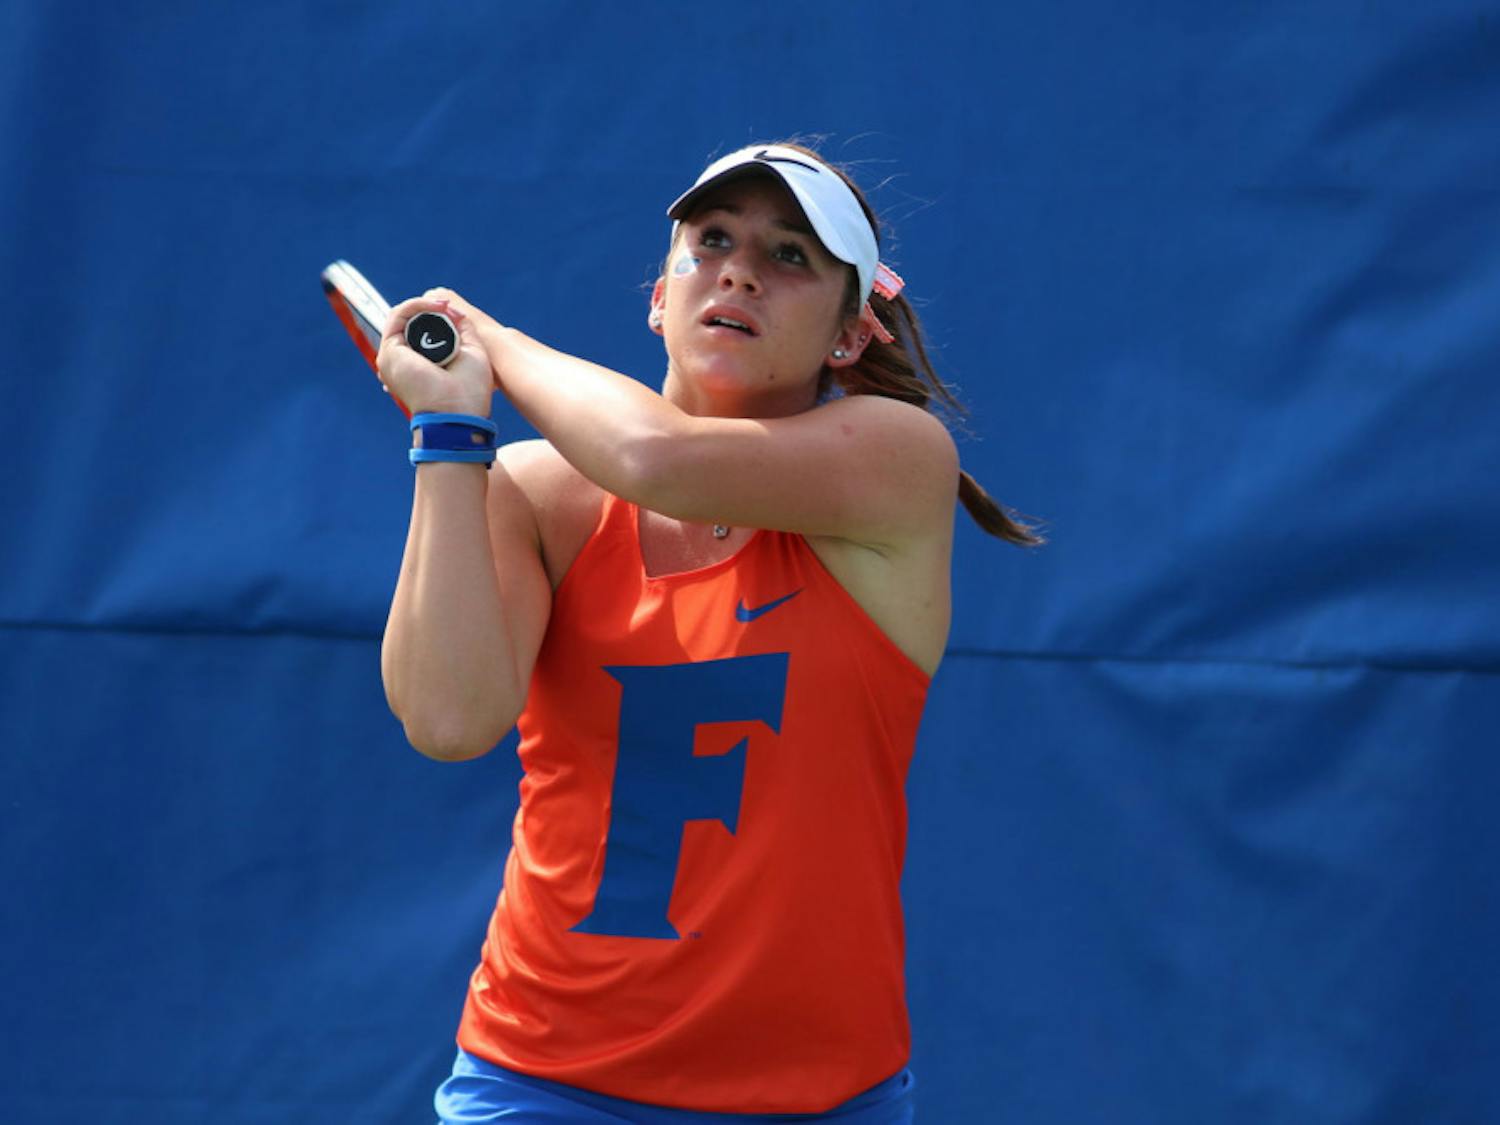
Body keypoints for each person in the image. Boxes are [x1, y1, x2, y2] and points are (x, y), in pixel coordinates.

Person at [375, 141, 1041, 1124]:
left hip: (819, 1100)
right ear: (659, 297)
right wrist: (449, 434)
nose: (738, 270)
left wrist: (489, 341)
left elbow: (653, 454)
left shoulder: (902, 461)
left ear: (849, 337)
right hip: (540, 1082)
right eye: (714, 242)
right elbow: (447, 717)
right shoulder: (532, 491)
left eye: (790, 257)